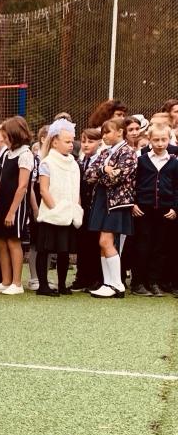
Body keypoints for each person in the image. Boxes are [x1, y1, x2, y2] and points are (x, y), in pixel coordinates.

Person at [85, 115, 137, 299]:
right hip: (101, 201)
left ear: (120, 132)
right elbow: (88, 174)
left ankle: (117, 284)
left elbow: (116, 178)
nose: (104, 136)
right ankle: (108, 283)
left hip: (117, 203)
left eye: (107, 132)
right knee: (103, 243)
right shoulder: (105, 153)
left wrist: (103, 174)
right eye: (103, 133)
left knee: (106, 242)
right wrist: (103, 170)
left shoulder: (128, 152)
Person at [34, 122, 82, 296]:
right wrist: (55, 209)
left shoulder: (74, 164)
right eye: (67, 141)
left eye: (72, 141)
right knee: (44, 250)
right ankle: (43, 286)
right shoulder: (47, 163)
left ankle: (62, 284)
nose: (71, 145)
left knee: (64, 250)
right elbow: (44, 190)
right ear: (55, 142)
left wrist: (77, 207)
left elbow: (76, 189)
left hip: (69, 214)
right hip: (51, 214)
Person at [131, 121, 178, 296]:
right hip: (143, 210)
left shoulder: (174, 162)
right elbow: (133, 184)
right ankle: (138, 283)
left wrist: (175, 208)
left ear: (169, 140)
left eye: (163, 140)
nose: (160, 143)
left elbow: (176, 187)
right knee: (142, 246)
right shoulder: (141, 161)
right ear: (149, 140)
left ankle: (154, 282)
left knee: (160, 247)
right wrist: (134, 203)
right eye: (156, 140)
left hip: (165, 211)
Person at [0, 116, 34, 295]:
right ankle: (6, 281)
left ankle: (17, 283)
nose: (4, 139)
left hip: (16, 206)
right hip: (2, 203)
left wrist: (12, 212)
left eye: (6, 136)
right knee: (0, 240)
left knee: (13, 241)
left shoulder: (26, 154)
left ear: (15, 135)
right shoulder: (7, 154)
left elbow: (22, 186)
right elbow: (0, 181)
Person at [70, 127, 103, 291]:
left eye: (91, 141)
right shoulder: (79, 161)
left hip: (96, 207)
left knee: (94, 243)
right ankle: (82, 277)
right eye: (83, 141)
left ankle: (95, 278)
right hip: (82, 207)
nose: (86, 145)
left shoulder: (102, 160)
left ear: (99, 143)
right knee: (82, 243)